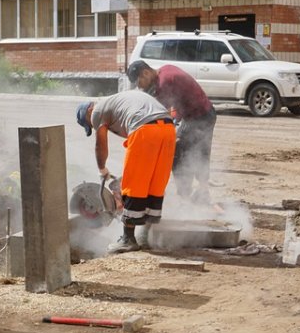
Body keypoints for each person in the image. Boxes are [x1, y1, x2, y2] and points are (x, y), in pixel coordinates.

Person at [75, 89, 176, 253]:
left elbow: (100, 145)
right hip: (168, 129)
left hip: (145, 129)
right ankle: (146, 236)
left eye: (90, 124)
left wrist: (102, 169)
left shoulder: (97, 110)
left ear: (88, 112)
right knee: (154, 184)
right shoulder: (118, 102)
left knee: (134, 185)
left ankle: (128, 239)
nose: (93, 126)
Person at [126, 60, 218, 201]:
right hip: (200, 114)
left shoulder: (165, 81)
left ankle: (185, 195)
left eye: (139, 82)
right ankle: (202, 191)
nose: (140, 87)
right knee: (199, 152)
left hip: (199, 117)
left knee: (176, 151)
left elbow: (157, 112)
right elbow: (177, 101)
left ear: (145, 72)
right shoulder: (164, 70)